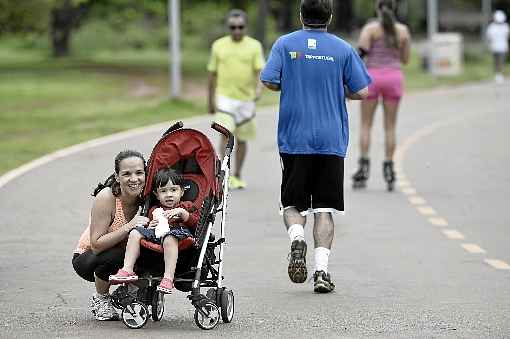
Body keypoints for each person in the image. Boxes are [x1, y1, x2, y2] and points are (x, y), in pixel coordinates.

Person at [261, 0, 371, 293]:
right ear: (330, 17)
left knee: (292, 203)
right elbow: (362, 90)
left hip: (294, 138)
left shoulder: (284, 44)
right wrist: (336, 87)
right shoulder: (343, 48)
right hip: (330, 140)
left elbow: (269, 81)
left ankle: (297, 238)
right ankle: (321, 272)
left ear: (300, 16)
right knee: (325, 208)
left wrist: (294, 82)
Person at [72, 150, 148, 321]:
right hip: (90, 257)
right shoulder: (107, 197)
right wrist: (130, 226)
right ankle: (101, 299)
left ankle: (129, 292)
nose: (134, 179)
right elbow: (96, 245)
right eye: (126, 174)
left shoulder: (148, 197)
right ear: (117, 176)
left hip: (129, 256)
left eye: (139, 173)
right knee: (115, 254)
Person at [109, 168, 199, 294]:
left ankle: (168, 278)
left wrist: (184, 214)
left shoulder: (186, 206)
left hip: (180, 236)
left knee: (169, 237)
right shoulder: (154, 210)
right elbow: (150, 228)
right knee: (136, 232)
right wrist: (150, 226)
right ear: (156, 194)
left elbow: (197, 223)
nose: (169, 194)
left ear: (182, 191)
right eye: (163, 191)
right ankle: (127, 269)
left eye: (173, 190)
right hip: (157, 236)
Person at [352, 0, 411, 192]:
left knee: (366, 125)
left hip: (372, 78)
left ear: (378, 9)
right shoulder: (402, 31)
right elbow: (405, 59)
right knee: (390, 127)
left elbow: (359, 55)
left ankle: (363, 166)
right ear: (395, 10)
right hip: (394, 78)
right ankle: (389, 167)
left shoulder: (370, 30)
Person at [207, 9, 265, 190]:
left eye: (240, 27)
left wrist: (258, 89)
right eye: (233, 27)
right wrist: (209, 100)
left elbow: (260, 72)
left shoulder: (254, 46)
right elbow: (212, 74)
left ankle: (238, 175)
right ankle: (224, 173)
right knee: (225, 134)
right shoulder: (219, 46)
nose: (237, 31)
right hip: (224, 98)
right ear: (228, 27)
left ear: (246, 27)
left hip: (246, 100)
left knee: (242, 139)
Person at [486, 10, 509, 84]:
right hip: (495, 47)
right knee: (496, 61)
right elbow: (489, 37)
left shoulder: (505, 26)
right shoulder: (492, 27)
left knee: (501, 61)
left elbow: (506, 36)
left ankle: (500, 74)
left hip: (502, 47)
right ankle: (497, 74)